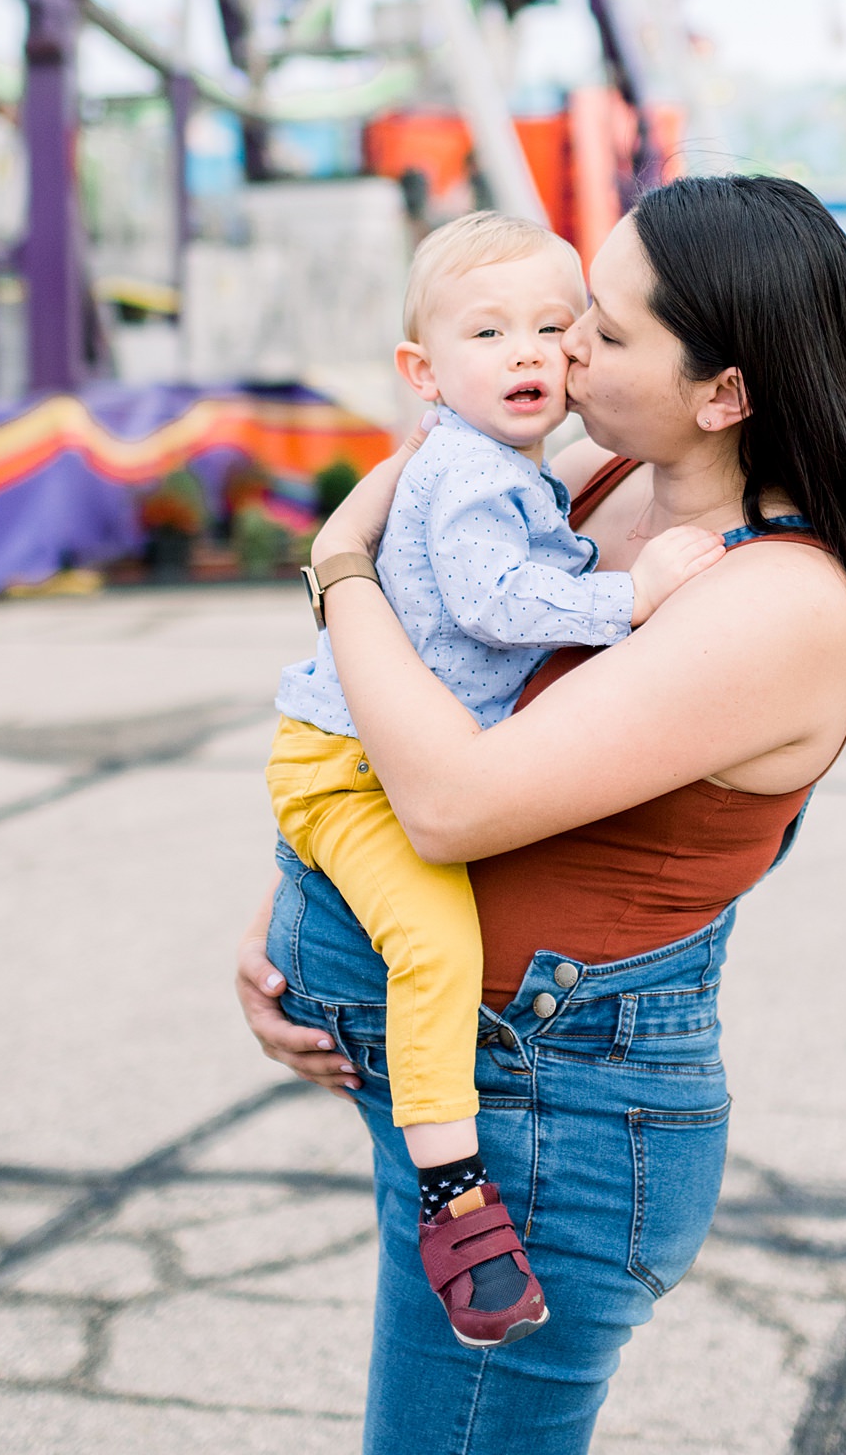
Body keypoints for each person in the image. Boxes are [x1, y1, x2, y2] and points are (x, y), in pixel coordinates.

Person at [236, 173, 846, 1453]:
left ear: (724, 392)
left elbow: (453, 800)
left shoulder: (777, 604)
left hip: (548, 1115)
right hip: (481, 1075)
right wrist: (300, 895)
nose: (556, 346)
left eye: (603, 331)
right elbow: (439, 676)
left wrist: (336, 562)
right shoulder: (609, 466)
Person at [266, 210, 723, 1347]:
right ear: (423, 370)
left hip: (366, 755)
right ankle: (455, 1192)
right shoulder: (470, 473)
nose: (528, 353)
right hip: (358, 774)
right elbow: (493, 602)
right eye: (488, 332)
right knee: (434, 944)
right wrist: (636, 595)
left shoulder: (513, 463)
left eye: (558, 328)